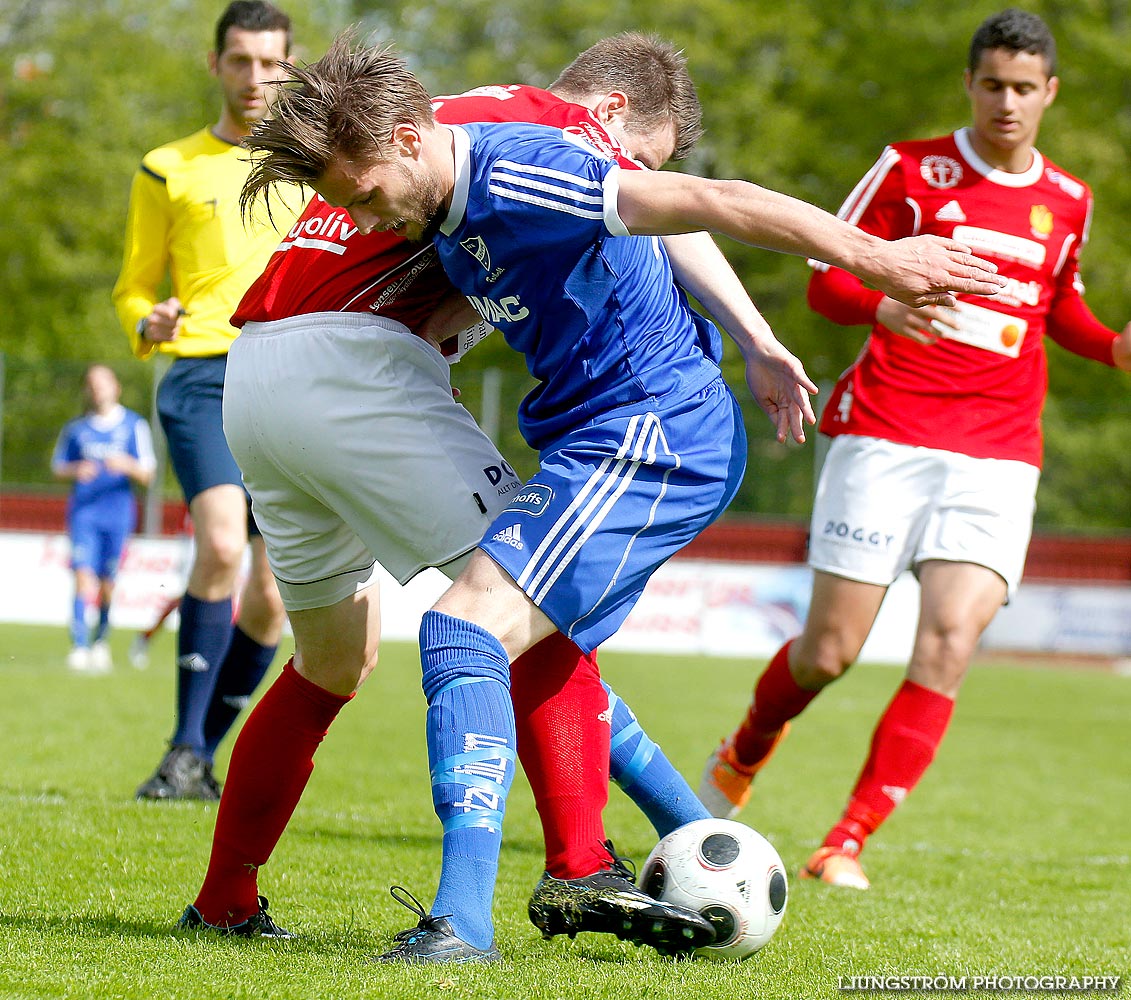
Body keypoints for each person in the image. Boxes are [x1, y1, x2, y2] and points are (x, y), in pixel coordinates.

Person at [233, 34, 1003, 962]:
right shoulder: (435, 198)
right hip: (593, 437)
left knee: (462, 628)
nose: (363, 215)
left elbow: (712, 202)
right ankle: (685, 844)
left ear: (406, 136)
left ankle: (466, 922)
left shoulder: (524, 168)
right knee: (522, 647)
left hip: (652, 434)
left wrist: (870, 259)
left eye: (361, 194)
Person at [181, 33, 773, 956]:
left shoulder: (425, 130)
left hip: (255, 374)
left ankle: (223, 900)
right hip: (356, 364)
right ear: (611, 115)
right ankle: (588, 860)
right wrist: (755, 336)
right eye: (640, 153)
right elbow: (674, 213)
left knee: (332, 663)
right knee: (517, 612)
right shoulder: (547, 129)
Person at [698, 8, 1131, 891]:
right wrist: (879, 303)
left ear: (1048, 93)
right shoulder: (910, 168)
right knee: (828, 653)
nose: (1006, 102)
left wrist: (1114, 346)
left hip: (1001, 451)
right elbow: (827, 281)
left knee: (947, 645)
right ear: (970, 84)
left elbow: (1060, 315)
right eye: (991, 84)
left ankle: (844, 842)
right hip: (888, 432)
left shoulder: (1068, 199)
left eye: (1023, 88)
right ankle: (744, 752)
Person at [111, 1, 298, 800]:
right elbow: (131, 287)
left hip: (295, 381)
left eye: (270, 63)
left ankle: (195, 757)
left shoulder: (317, 166)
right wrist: (143, 320)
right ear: (215, 64)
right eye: (239, 61)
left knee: (273, 597)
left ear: (290, 67)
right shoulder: (166, 167)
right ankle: (184, 745)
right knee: (220, 546)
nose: (255, 78)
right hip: (201, 373)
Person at [52, 365, 155, 672]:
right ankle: (79, 645)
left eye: (103, 383)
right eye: (92, 384)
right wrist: (76, 469)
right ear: (87, 390)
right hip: (84, 513)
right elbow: (59, 466)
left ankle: (101, 642)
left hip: (118, 513)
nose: (97, 390)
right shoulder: (76, 429)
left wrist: (127, 465)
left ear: (116, 387)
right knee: (83, 577)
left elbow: (148, 473)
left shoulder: (133, 425)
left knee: (108, 583)